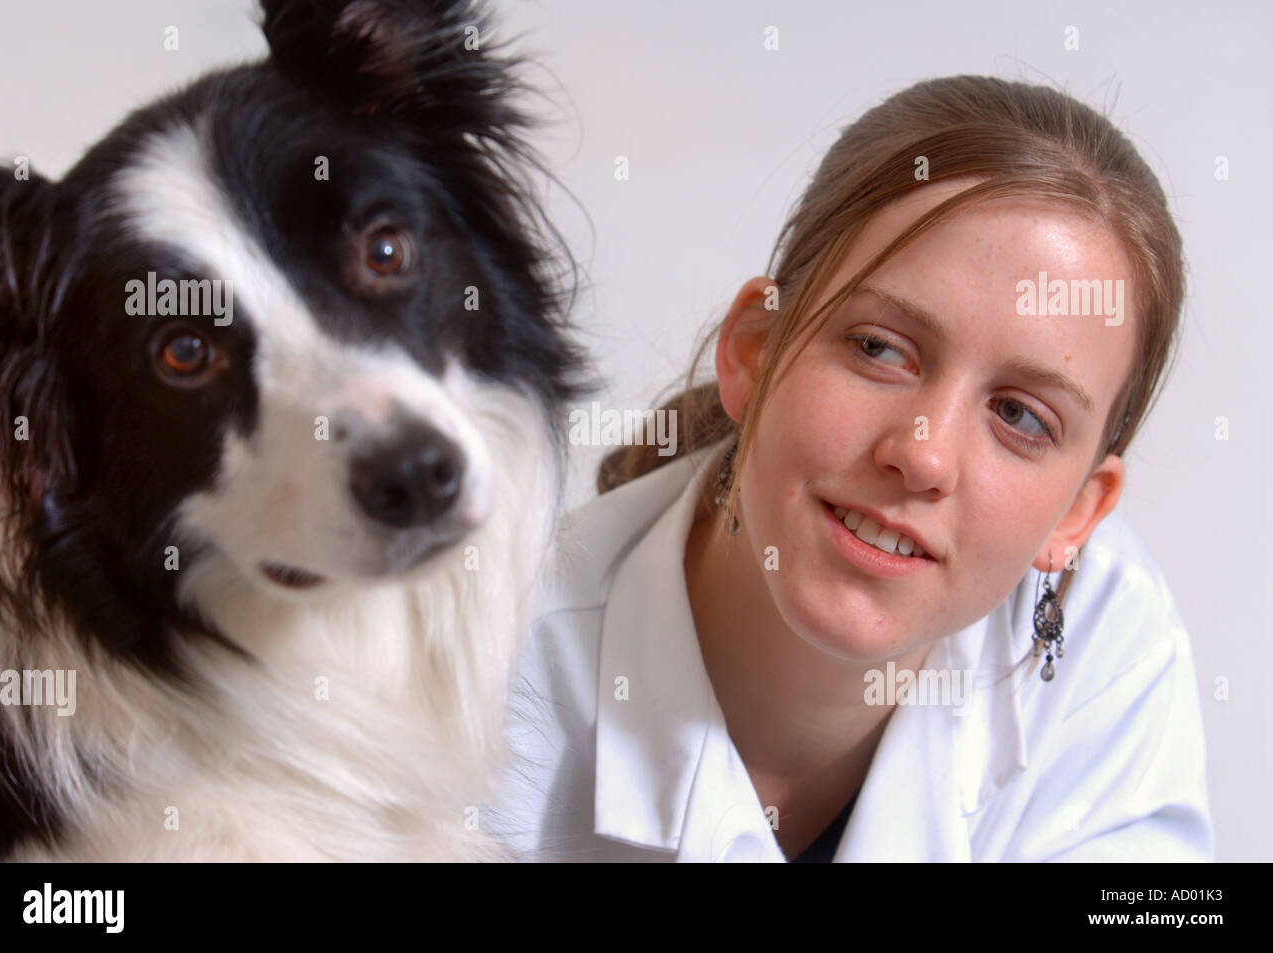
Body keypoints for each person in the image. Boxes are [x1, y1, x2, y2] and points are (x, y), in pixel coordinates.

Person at [484, 75, 1214, 862]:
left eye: (1019, 416)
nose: (924, 454)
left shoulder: (1110, 641)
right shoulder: (484, 688)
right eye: (880, 348)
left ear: (1078, 513)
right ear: (753, 351)